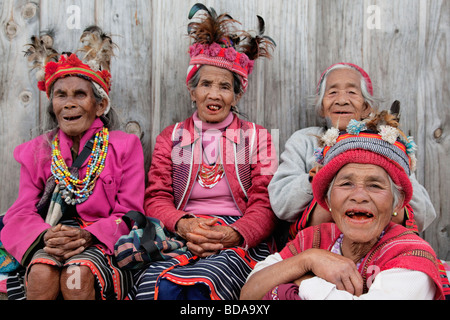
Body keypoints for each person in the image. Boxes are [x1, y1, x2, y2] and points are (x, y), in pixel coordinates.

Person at [129, 5, 277, 300]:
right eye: (206, 84)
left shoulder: (257, 137)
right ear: (192, 90)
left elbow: (265, 203)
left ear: (237, 95)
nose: (213, 94)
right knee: (155, 285)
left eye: (224, 87)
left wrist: (232, 235)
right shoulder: (171, 137)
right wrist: (185, 225)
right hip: (180, 231)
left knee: (203, 285)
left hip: (237, 235)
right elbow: (156, 198)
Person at [1, 26, 145, 300]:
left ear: (99, 106)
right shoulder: (36, 151)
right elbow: (20, 213)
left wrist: (88, 236)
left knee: (76, 276)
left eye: (80, 94)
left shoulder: (125, 146)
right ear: (52, 105)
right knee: (42, 274)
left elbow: (130, 213)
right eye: (61, 95)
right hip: (48, 238)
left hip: (101, 241)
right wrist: (47, 236)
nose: (69, 104)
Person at [241, 112, 450, 300]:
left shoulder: (411, 255)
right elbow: (249, 293)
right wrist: (307, 260)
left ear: (397, 201)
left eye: (375, 185)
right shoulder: (314, 240)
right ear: (329, 200)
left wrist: (303, 280)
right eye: (346, 183)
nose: (359, 196)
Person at [268, 62, 436, 235]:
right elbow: (282, 205)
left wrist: (393, 174)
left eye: (352, 92)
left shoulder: (386, 144)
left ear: (366, 107)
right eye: (332, 92)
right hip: (320, 243)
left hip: (380, 239)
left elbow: (424, 214)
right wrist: (316, 178)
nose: (341, 100)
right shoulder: (304, 141)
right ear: (321, 107)